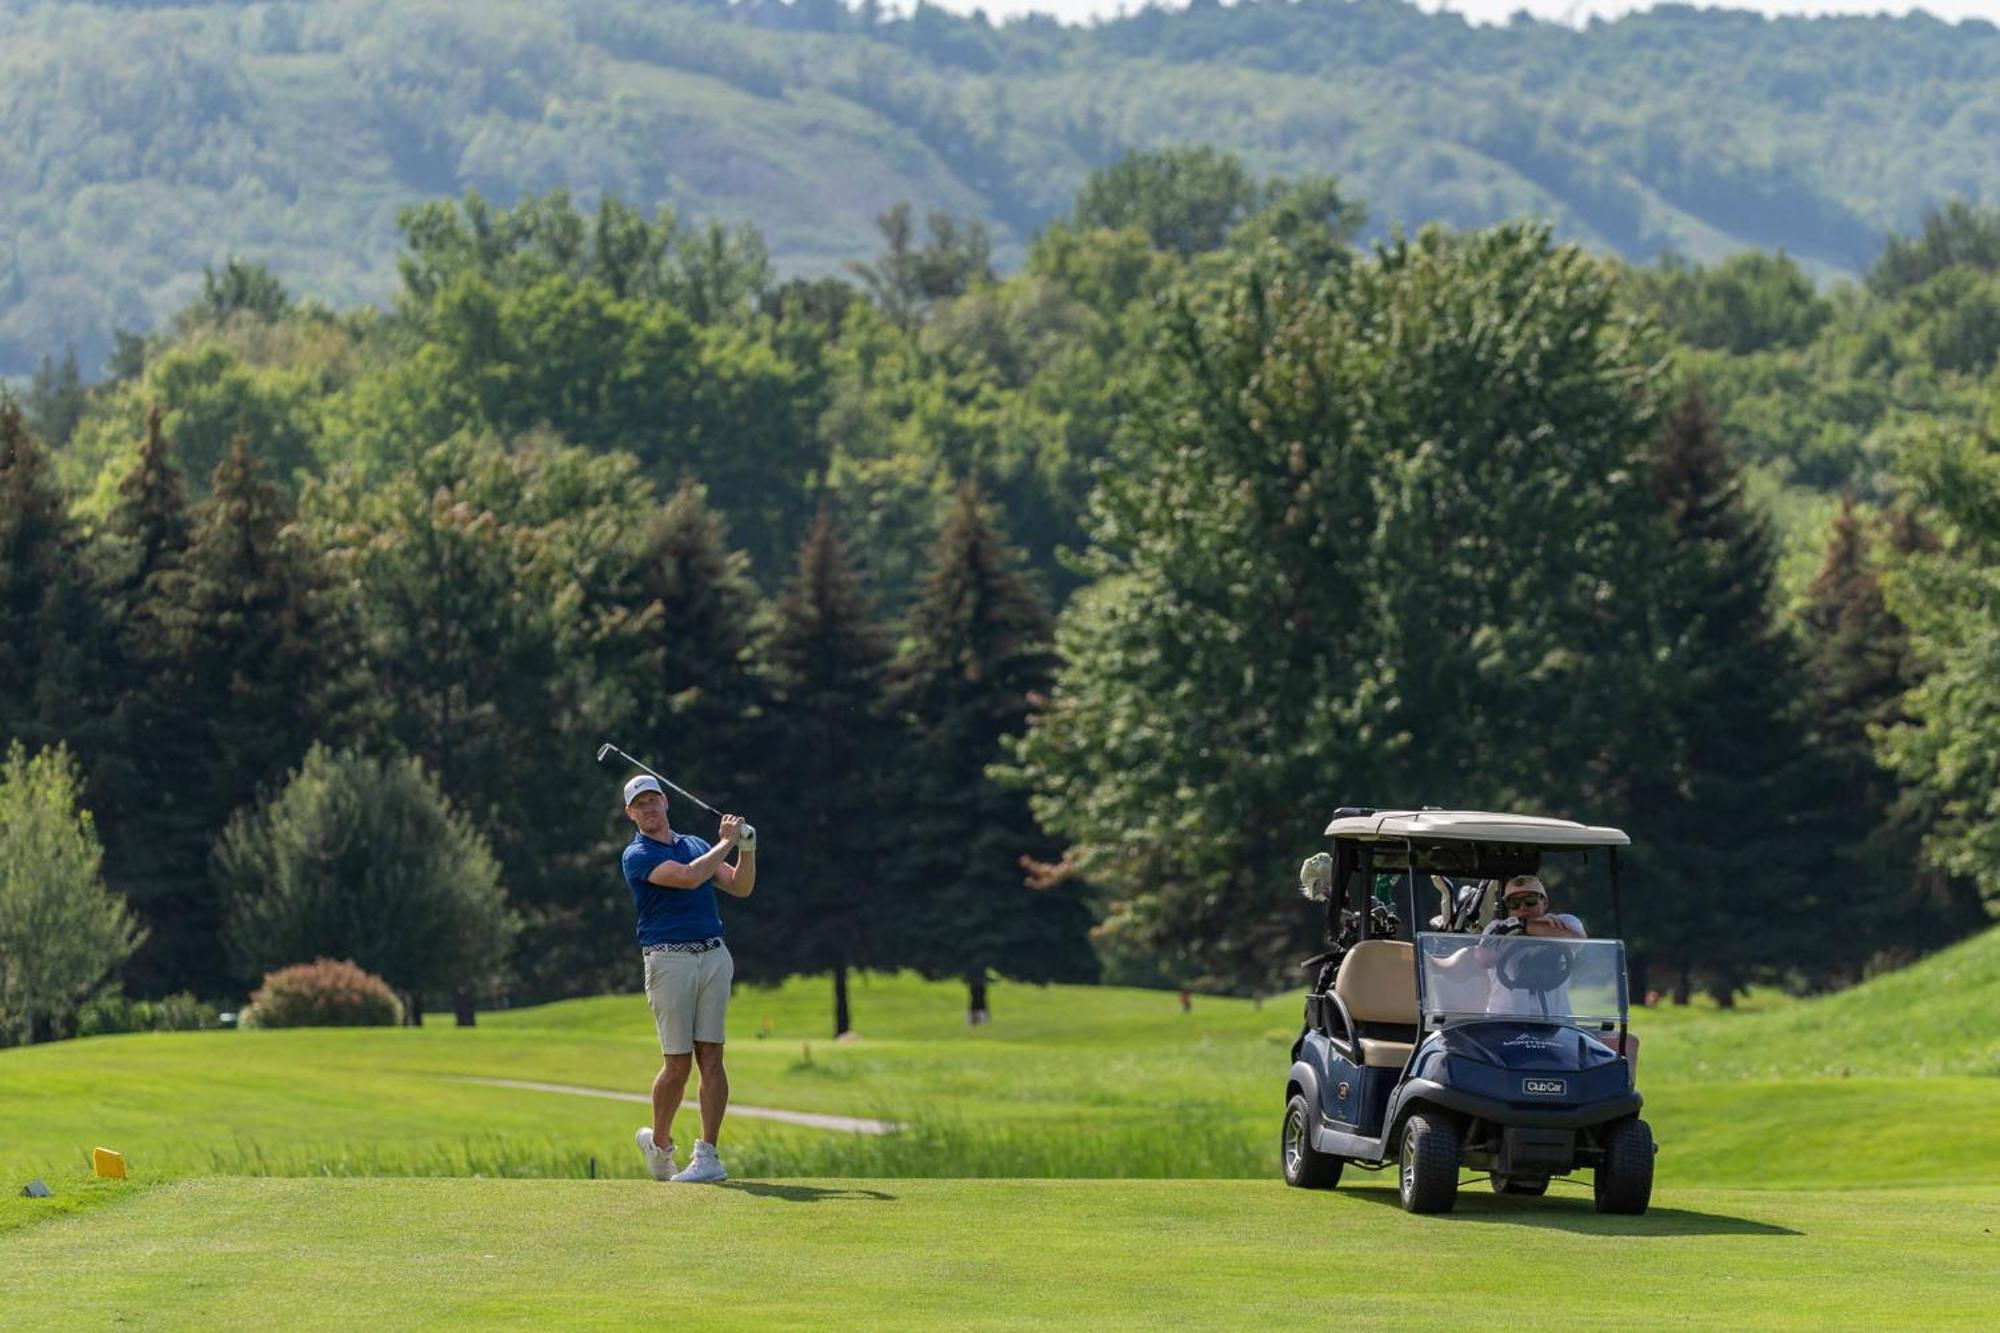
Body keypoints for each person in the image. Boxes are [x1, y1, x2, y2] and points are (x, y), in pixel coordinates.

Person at [620, 773, 757, 1183]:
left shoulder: (697, 844)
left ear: (666, 802)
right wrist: (728, 841)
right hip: (669, 961)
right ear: (630, 814)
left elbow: (739, 886)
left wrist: (747, 847)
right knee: (677, 1064)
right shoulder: (637, 855)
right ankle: (659, 1145)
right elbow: (689, 877)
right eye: (638, 805)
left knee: (712, 1056)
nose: (647, 809)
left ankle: (708, 1156)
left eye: (652, 801)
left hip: (713, 955)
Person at [1479, 874, 1638, 1082]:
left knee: (1628, 1043)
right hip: (1504, 1025)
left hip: (1559, 1026)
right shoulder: (1496, 928)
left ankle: (1619, 1104)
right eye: (1514, 903)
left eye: (1530, 901)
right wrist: (1519, 929)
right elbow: (1483, 958)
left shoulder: (1565, 922)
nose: (1522, 908)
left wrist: (1524, 927)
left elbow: (1578, 941)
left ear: (1544, 902)